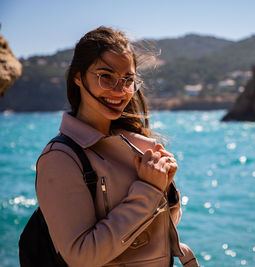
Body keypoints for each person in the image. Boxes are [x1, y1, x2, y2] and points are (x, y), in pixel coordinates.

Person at [35, 26, 198, 267]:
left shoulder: (139, 145)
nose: (119, 91)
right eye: (106, 76)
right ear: (78, 77)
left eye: (128, 80)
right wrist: (149, 189)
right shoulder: (60, 158)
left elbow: (158, 233)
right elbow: (81, 256)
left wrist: (166, 188)